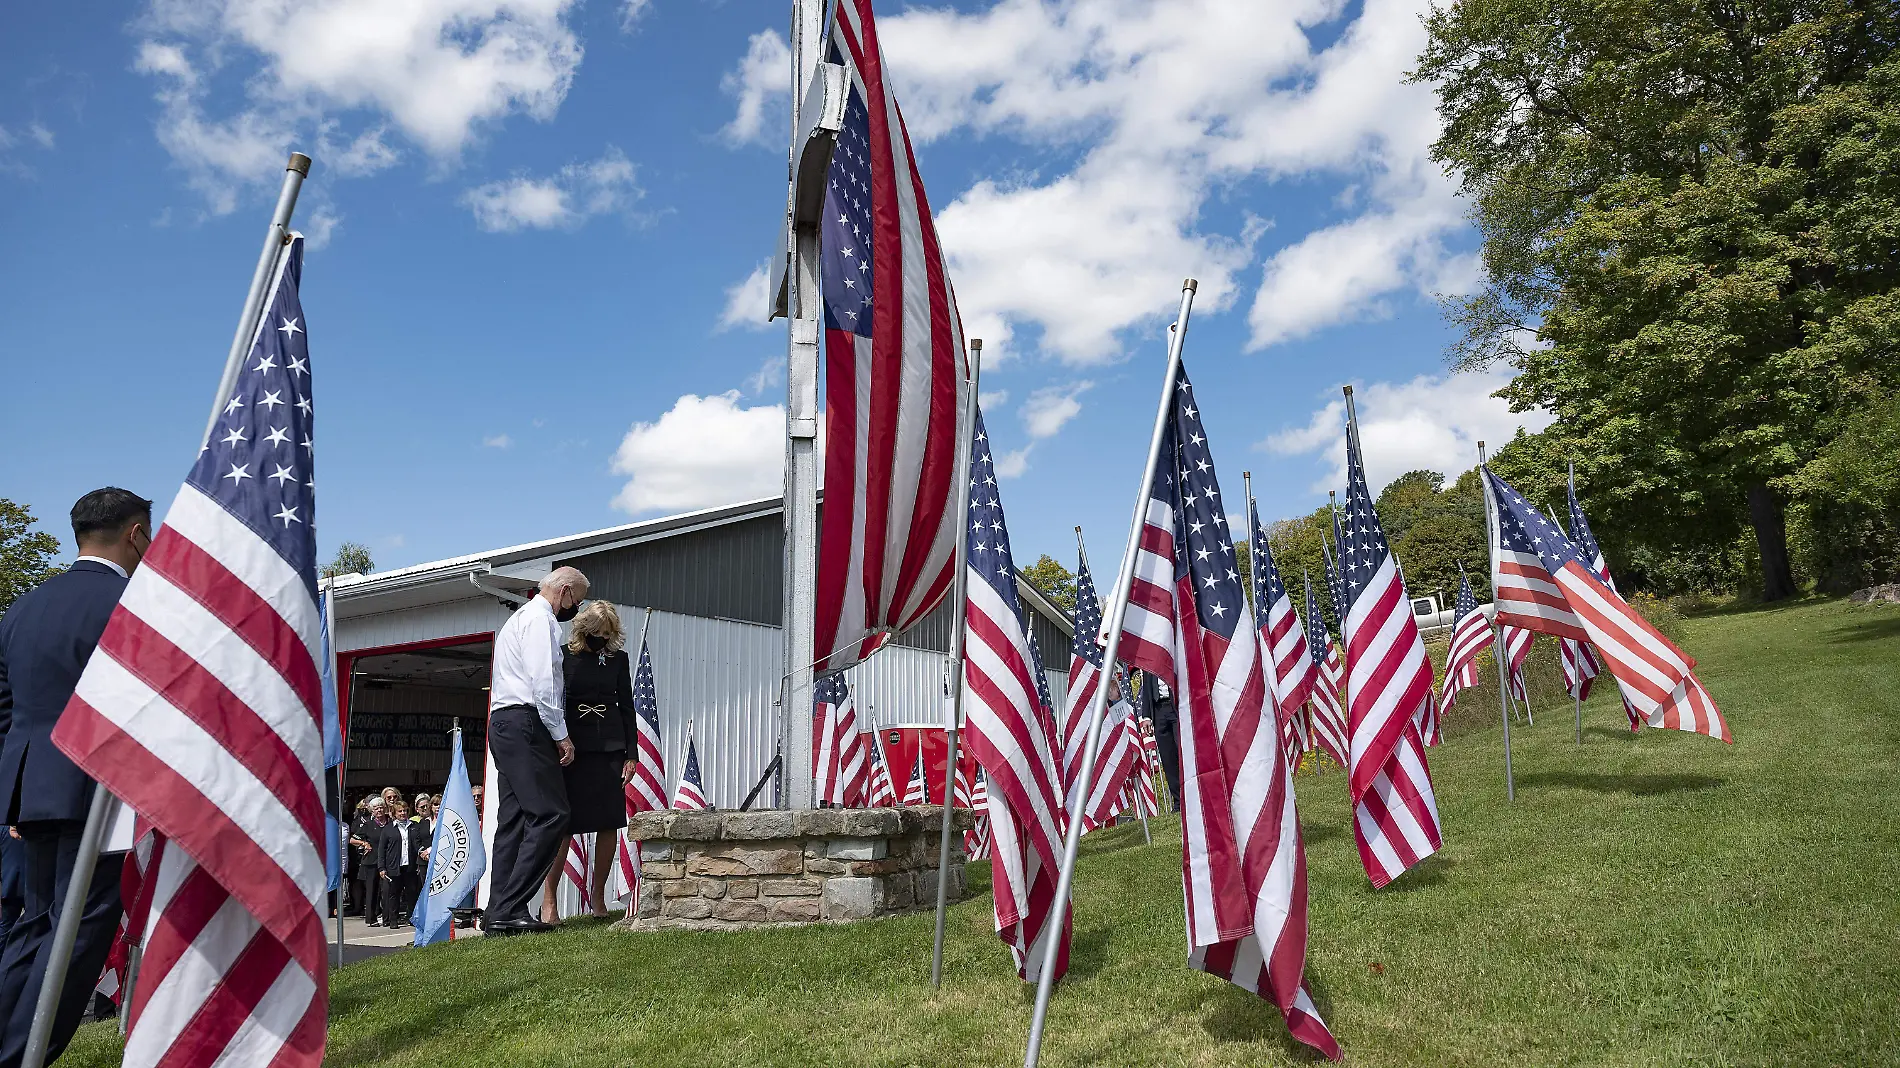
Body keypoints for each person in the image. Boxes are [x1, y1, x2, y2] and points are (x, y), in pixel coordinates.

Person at [0, 487, 150, 1066]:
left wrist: (22, 784)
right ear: (136, 532)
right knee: (77, 938)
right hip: (100, 796)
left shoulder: (22, 607)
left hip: (32, 792)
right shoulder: (133, 604)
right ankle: (21, 1056)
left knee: (32, 928)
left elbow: (7, 708)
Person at [481, 567, 587, 936]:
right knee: (551, 814)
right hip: (527, 723)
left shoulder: (518, 619)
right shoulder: (542, 621)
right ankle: (509, 909)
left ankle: (498, 911)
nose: (576, 607)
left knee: (513, 821)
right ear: (565, 591)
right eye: (578, 598)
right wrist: (562, 735)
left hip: (504, 723)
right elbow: (544, 684)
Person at [539, 602, 639, 922]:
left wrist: (631, 755)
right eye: (597, 634)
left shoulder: (617, 659)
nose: (602, 639)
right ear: (584, 630)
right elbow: (552, 699)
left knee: (609, 822)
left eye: (608, 634)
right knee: (565, 824)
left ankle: (597, 898)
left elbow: (627, 707)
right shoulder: (564, 655)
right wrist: (555, 740)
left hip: (610, 747)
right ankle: (550, 900)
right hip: (572, 746)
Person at [1136, 671, 1181, 813]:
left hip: (1177, 706)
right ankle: (1178, 801)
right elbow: (1147, 687)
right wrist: (1147, 716)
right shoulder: (1152, 655)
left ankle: (1191, 796)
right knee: (1168, 759)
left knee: (1183, 753)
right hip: (1159, 710)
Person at [377, 801, 427, 928]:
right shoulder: (388, 829)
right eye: (400, 811)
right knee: (394, 894)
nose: (403, 813)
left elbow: (417, 844)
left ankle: (411, 918)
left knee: (411, 893)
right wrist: (382, 867)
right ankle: (393, 920)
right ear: (394, 813)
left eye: (404, 810)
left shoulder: (413, 826)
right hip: (394, 867)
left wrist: (423, 853)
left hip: (409, 867)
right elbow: (381, 850)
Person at [352, 797, 392, 927]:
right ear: (372, 811)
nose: (379, 810)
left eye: (381, 807)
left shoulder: (390, 823)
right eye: (376, 808)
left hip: (387, 861)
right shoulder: (368, 825)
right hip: (371, 862)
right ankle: (371, 918)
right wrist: (364, 843)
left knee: (386, 890)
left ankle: (387, 918)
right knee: (372, 890)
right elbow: (352, 840)